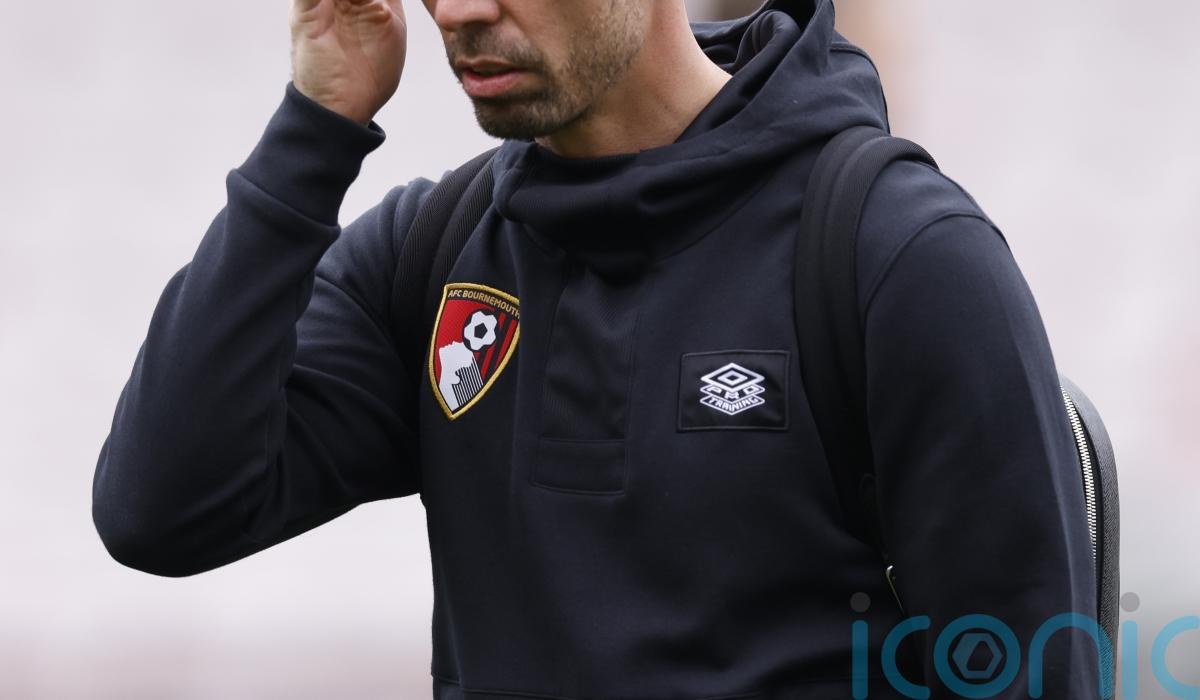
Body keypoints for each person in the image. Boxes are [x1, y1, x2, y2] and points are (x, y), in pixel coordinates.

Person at [92, 0, 1103, 696]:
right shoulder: (432, 255)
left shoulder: (898, 253)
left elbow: (1020, 671)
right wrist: (316, 129)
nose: (460, 11)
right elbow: (162, 511)